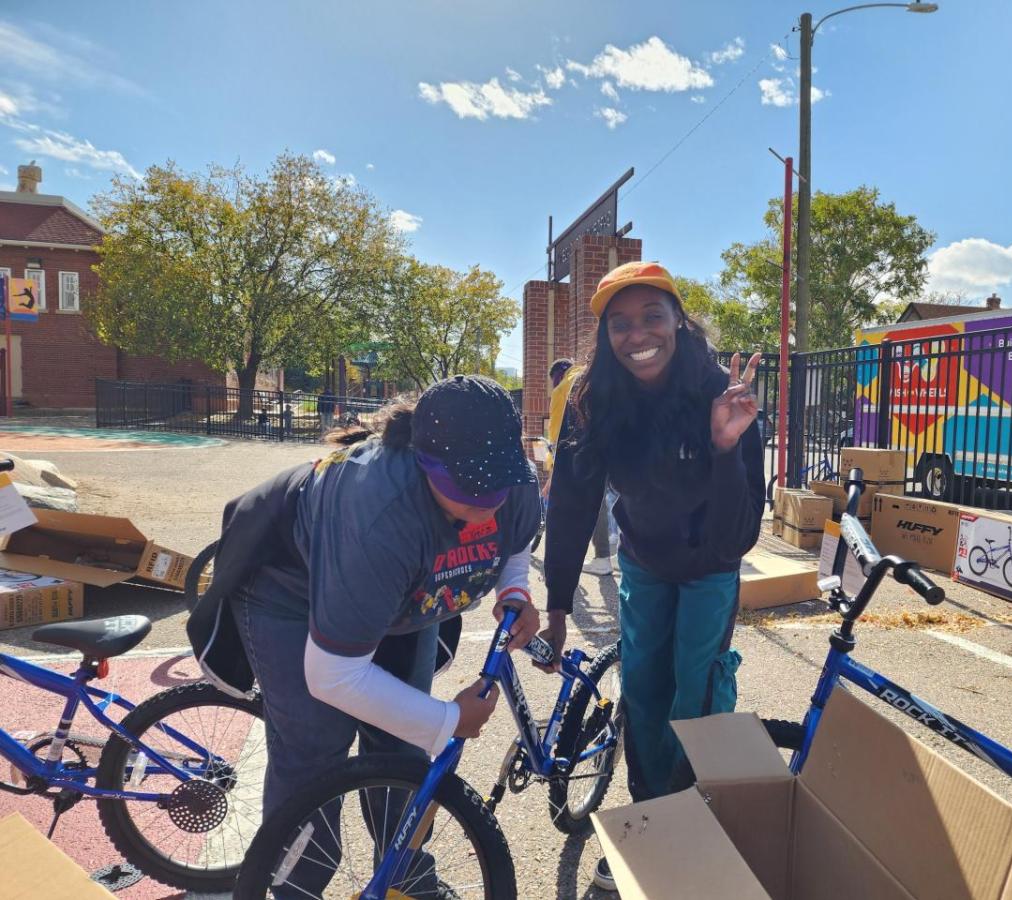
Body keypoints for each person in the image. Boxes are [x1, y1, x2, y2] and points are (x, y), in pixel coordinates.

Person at [186, 375, 543, 898]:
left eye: (500, 484)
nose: (489, 501)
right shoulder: (379, 512)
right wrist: (449, 719)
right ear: (427, 464)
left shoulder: (514, 479)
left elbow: (516, 540)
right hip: (290, 594)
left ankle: (407, 875)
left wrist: (515, 590)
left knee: (405, 749)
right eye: (470, 487)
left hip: (399, 601)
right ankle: (295, 888)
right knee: (315, 753)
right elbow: (332, 675)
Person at [541, 261, 765, 891]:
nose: (637, 334)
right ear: (605, 334)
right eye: (620, 323)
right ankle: (646, 822)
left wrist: (724, 449)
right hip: (645, 563)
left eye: (651, 317)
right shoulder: (593, 399)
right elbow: (572, 502)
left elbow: (738, 536)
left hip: (709, 568)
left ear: (676, 320)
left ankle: (691, 818)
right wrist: (558, 604)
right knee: (643, 695)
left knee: (694, 695)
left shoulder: (721, 393)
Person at [544, 357, 618, 576]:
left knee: (588, 503)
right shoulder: (597, 375)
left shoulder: (566, 386)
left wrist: (553, 466)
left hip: (585, 452)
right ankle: (622, 554)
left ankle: (600, 557)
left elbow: (558, 431)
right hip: (617, 446)